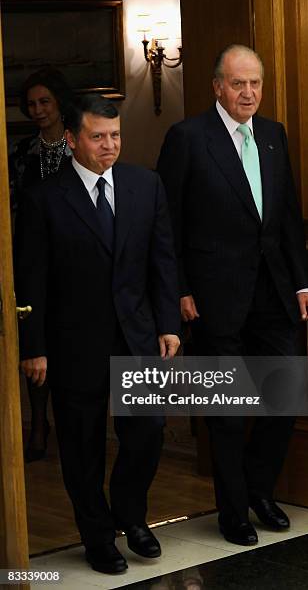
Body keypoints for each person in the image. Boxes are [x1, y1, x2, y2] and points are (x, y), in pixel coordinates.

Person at [157, 44, 308, 547]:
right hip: (212, 298)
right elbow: (168, 225)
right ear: (217, 87)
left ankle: (258, 490)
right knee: (225, 410)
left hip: (273, 292)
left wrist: (302, 281)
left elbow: (287, 214)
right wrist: (179, 288)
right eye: (237, 84)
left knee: (285, 394)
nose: (248, 93)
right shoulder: (187, 138)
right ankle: (233, 511)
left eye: (255, 83)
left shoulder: (273, 136)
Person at [15, 94, 180, 574]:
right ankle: (98, 536)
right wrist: (35, 347)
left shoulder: (145, 185)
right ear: (72, 140)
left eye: (115, 135)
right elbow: (32, 280)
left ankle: (131, 515)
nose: (110, 145)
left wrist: (168, 323)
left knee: (148, 432)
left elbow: (162, 261)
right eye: (98, 136)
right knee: (82, 448)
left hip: (137, 337)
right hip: (72, 345)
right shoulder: (44, 197)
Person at [9, 67, 74, 462]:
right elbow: (14, 205)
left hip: (74, 256)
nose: (37, 110)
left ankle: (68, 422)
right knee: (34, 341)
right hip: (34, 257)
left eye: (44, 102)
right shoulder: (22, 153)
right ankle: (38, 424)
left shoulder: (80, 143)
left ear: (59, 102)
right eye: (31, 104)